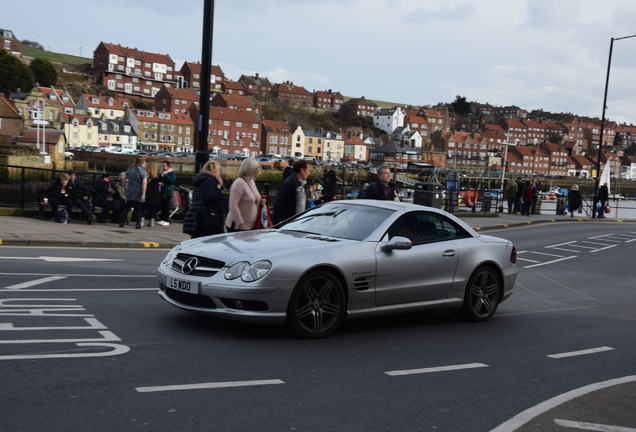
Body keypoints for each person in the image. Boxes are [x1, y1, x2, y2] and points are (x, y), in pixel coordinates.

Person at [183, 160, 224, 238]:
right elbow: (210, 197)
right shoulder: (212, 180)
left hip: (195, 215)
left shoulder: (201, 179)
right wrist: (218, 189)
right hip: (206, 218)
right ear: (216, 170)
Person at [225, 158, 261, 232]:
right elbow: (233, 205)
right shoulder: (238, 183)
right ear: (249, 169)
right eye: (256, 168)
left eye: (258, 168)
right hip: (238, 226)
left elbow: (255, 199)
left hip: (251, 225)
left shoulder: (252, 181)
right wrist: (240, 223)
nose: (258, 170)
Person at [272, 159, 311, 224]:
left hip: (298, 224)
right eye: (308, 170)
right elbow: (278, 207)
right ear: (302, 171)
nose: (309, 173)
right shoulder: (288, 184)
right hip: (288, 225)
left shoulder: (302, 184)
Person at [125, 158, 148, 229]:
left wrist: (126, 188)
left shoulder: (130, 169)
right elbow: (144, 184)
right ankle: (138, 224)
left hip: (130, 192)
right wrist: (143, 194)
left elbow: (125, 179)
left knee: (126, 208)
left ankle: (121, 222)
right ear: (143, 163)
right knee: (138, 209)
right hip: (138, 192)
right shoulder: (143, 172)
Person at [157, 160, 176, 227]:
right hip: (163, 190)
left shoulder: (171, 172)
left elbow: (172, 181)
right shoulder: (163, 172)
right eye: (162, 165)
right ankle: (162, 219)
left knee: (166, 206)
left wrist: (165, 174)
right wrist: (160, 175)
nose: (163, 167)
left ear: (168, 166)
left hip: (168, 191)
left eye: (164, 165)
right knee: (163, 205)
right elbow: (160, 180)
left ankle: (166, 220)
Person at [144, 161, 162, 227]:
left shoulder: (146, 174)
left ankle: (141, 221)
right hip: (155, 193)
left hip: (147, 192)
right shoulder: (157, 175)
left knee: (143, 207)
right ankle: (151, 222)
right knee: (153, 208)